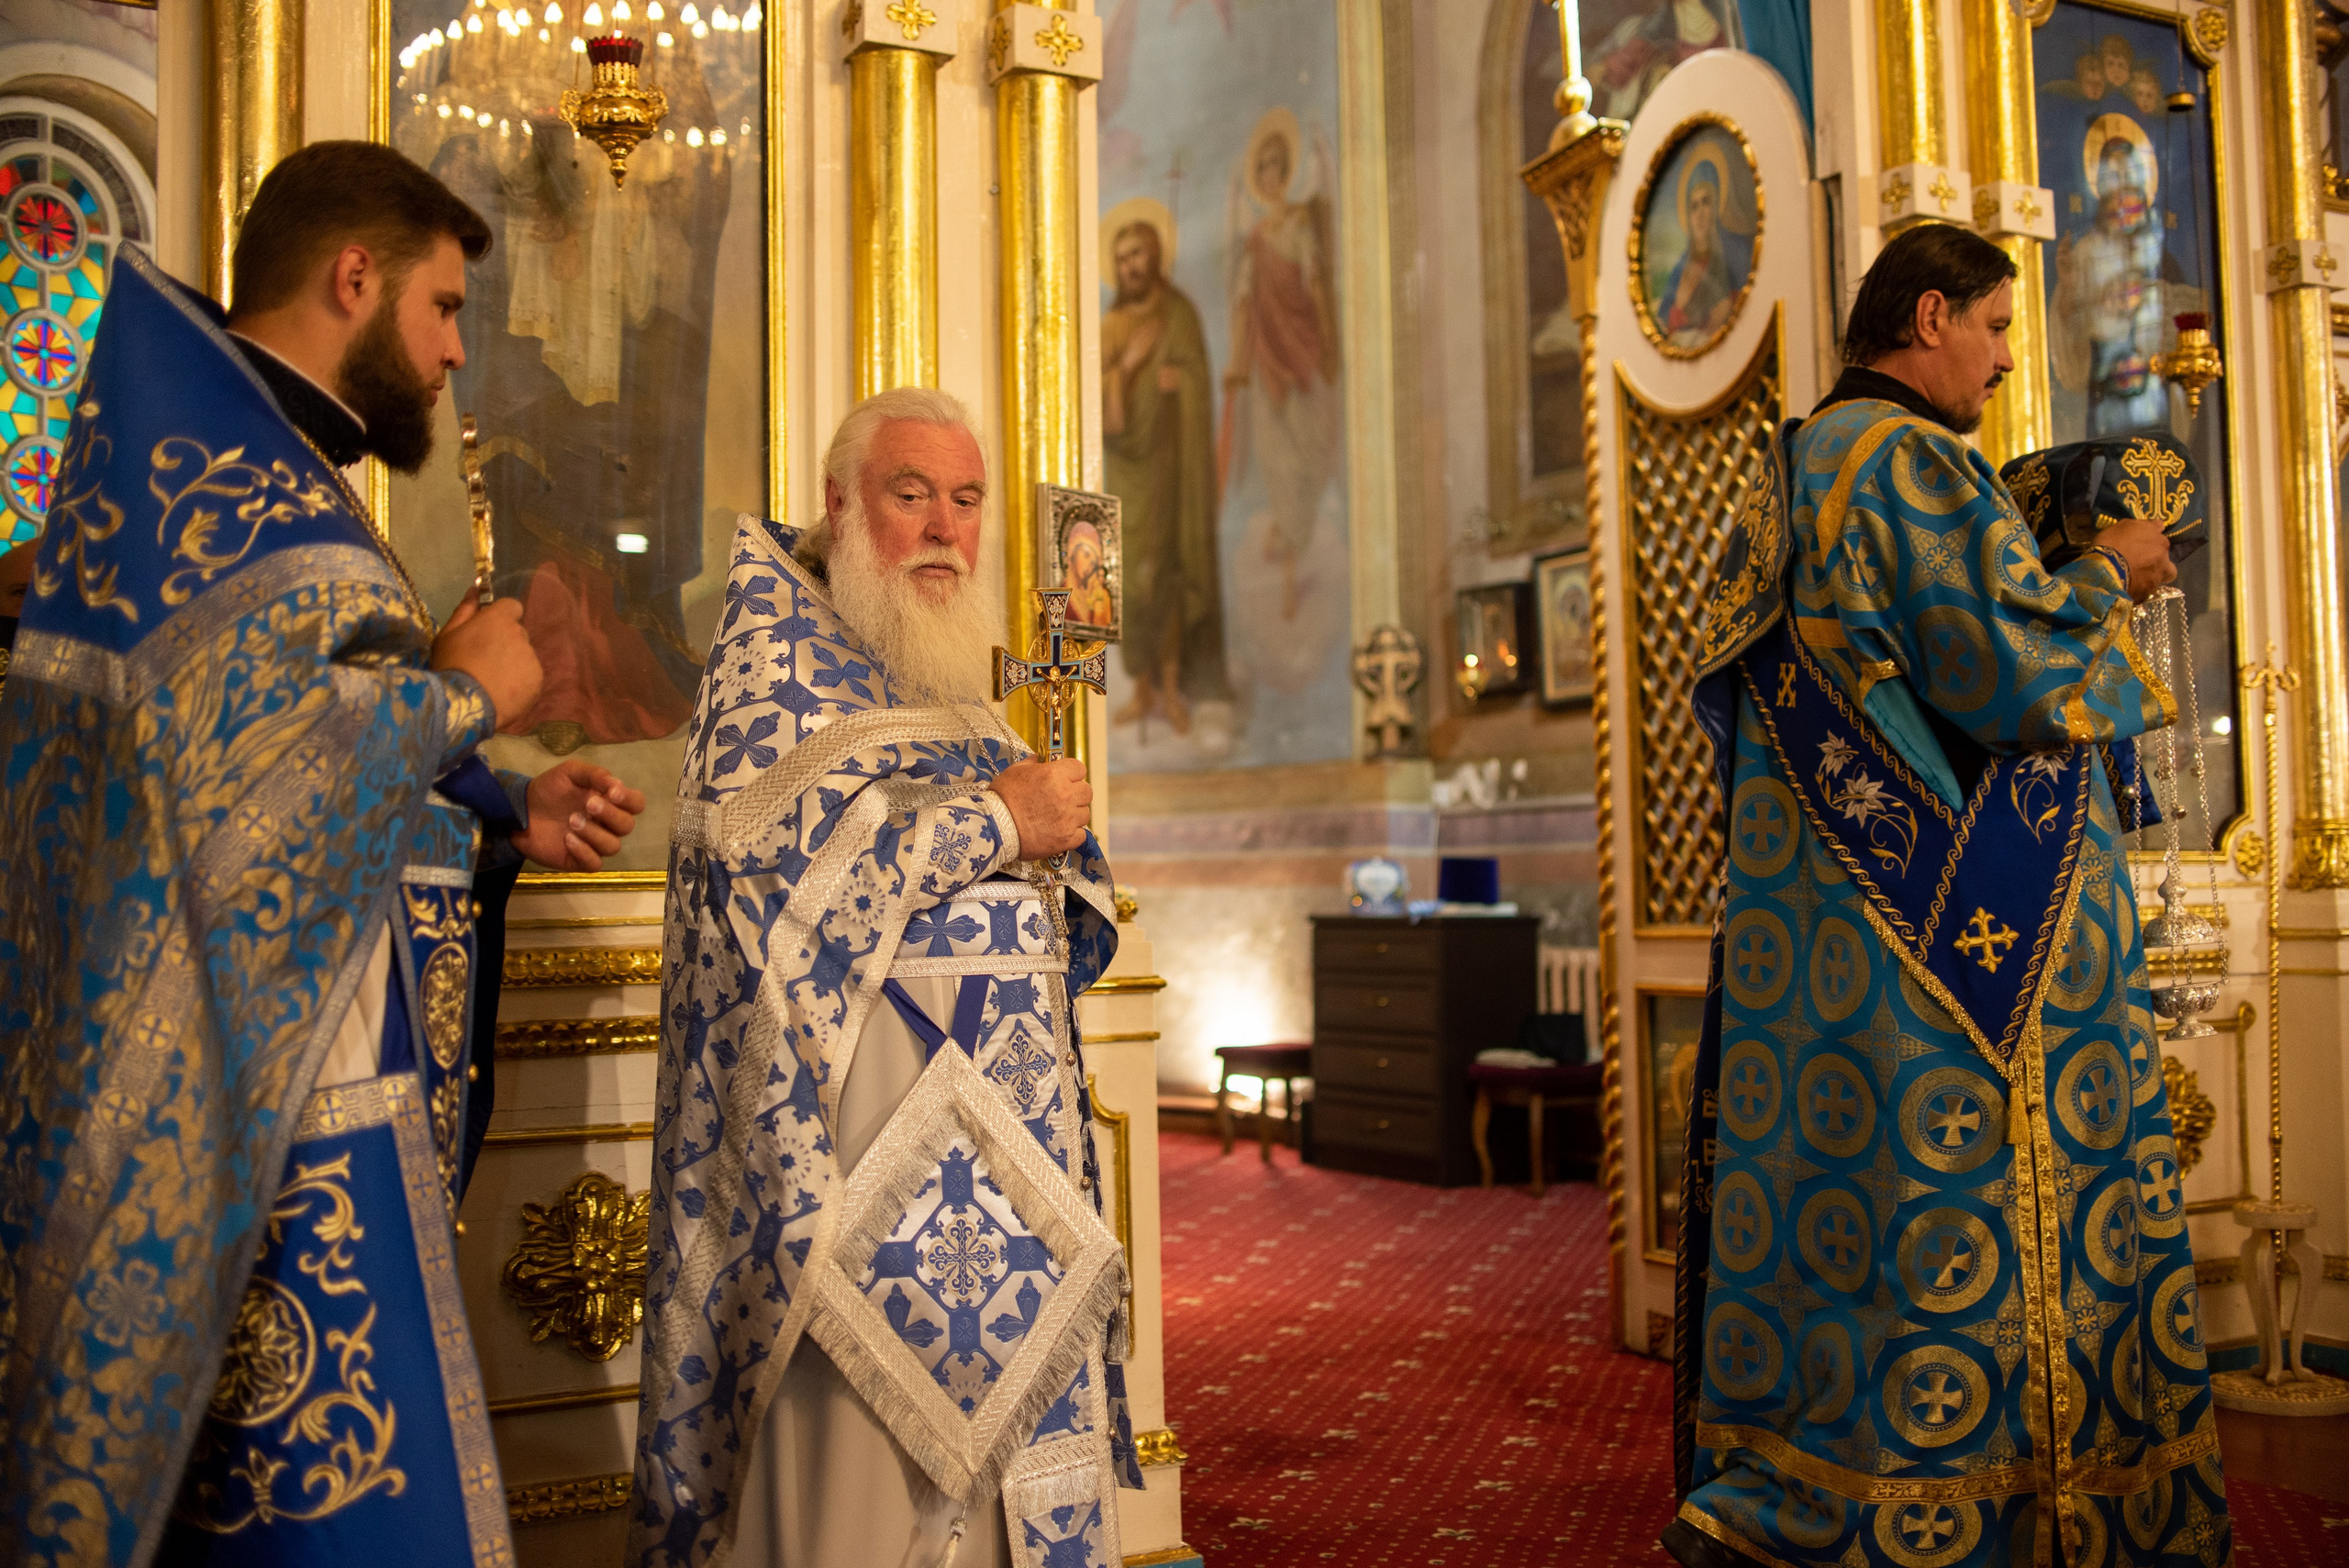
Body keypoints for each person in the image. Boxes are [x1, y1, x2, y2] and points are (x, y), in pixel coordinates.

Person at [0, 140, 646, 1568]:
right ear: (354, 275)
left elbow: (294, 754)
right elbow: (257, 781)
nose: (456, 355)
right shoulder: (226, 476)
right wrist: (471, 690)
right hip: (270, 1114)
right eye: (444, 308)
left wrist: (495, 809)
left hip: (298, 1080)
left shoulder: (260, 466)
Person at [1664, 222, 2224, 1568]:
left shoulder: (1801, 460)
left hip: (1828, 945)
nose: (2002, 358)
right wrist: (2111, 574)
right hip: (1952, 954)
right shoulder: (1908, 459)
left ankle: (1808, 1488)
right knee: (1956, 1215)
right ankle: (2007, 1509)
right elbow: (2007, 673)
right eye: (1994, 328)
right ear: (1929, 318)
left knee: (1841, 1215)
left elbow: (1875, 662)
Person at [633, 387, 1139, 1568]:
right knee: (864, 1487)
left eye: (964, 500)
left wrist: (1049, 837)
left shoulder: (949, 680)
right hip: (851, 1177)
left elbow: (1033, 887)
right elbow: (777, 889)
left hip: (1011, 1171)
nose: (942, 527)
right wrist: (997, 821)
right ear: (840, 504)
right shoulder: (774, 671)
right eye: (910, 494)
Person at [1101, 217, 1230, 735]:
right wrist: (1130, 370)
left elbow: (1197, 380)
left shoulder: (1179, 315)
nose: (1130, 265)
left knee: (1170, 576)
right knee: (1132, 581)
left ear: (1155, 257)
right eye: (1122, 256)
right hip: (1126, 476)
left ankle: (1173, 688)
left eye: (1138, 253)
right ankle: (1141, 688)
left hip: (1171, 471)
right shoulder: (1110, 327)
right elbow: (1104, 413)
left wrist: (1180, 383)